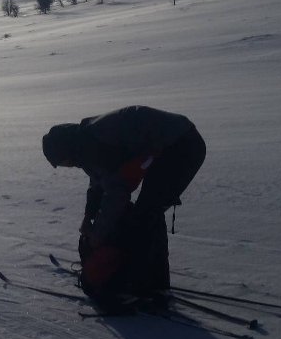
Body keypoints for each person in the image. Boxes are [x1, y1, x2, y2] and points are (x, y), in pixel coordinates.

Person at [42, 106, 205, 308]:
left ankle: (134, 288)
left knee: (144, 217)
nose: (68, 166)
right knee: (148, 212)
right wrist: (89, 215)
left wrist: (99, 234)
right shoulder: (86, 139)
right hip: (175, 143)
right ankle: (153, 284)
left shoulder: (93, 146)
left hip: (181, 147)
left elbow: (116, 192)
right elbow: (98, 180)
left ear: (65, 151)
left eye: (63, 162)